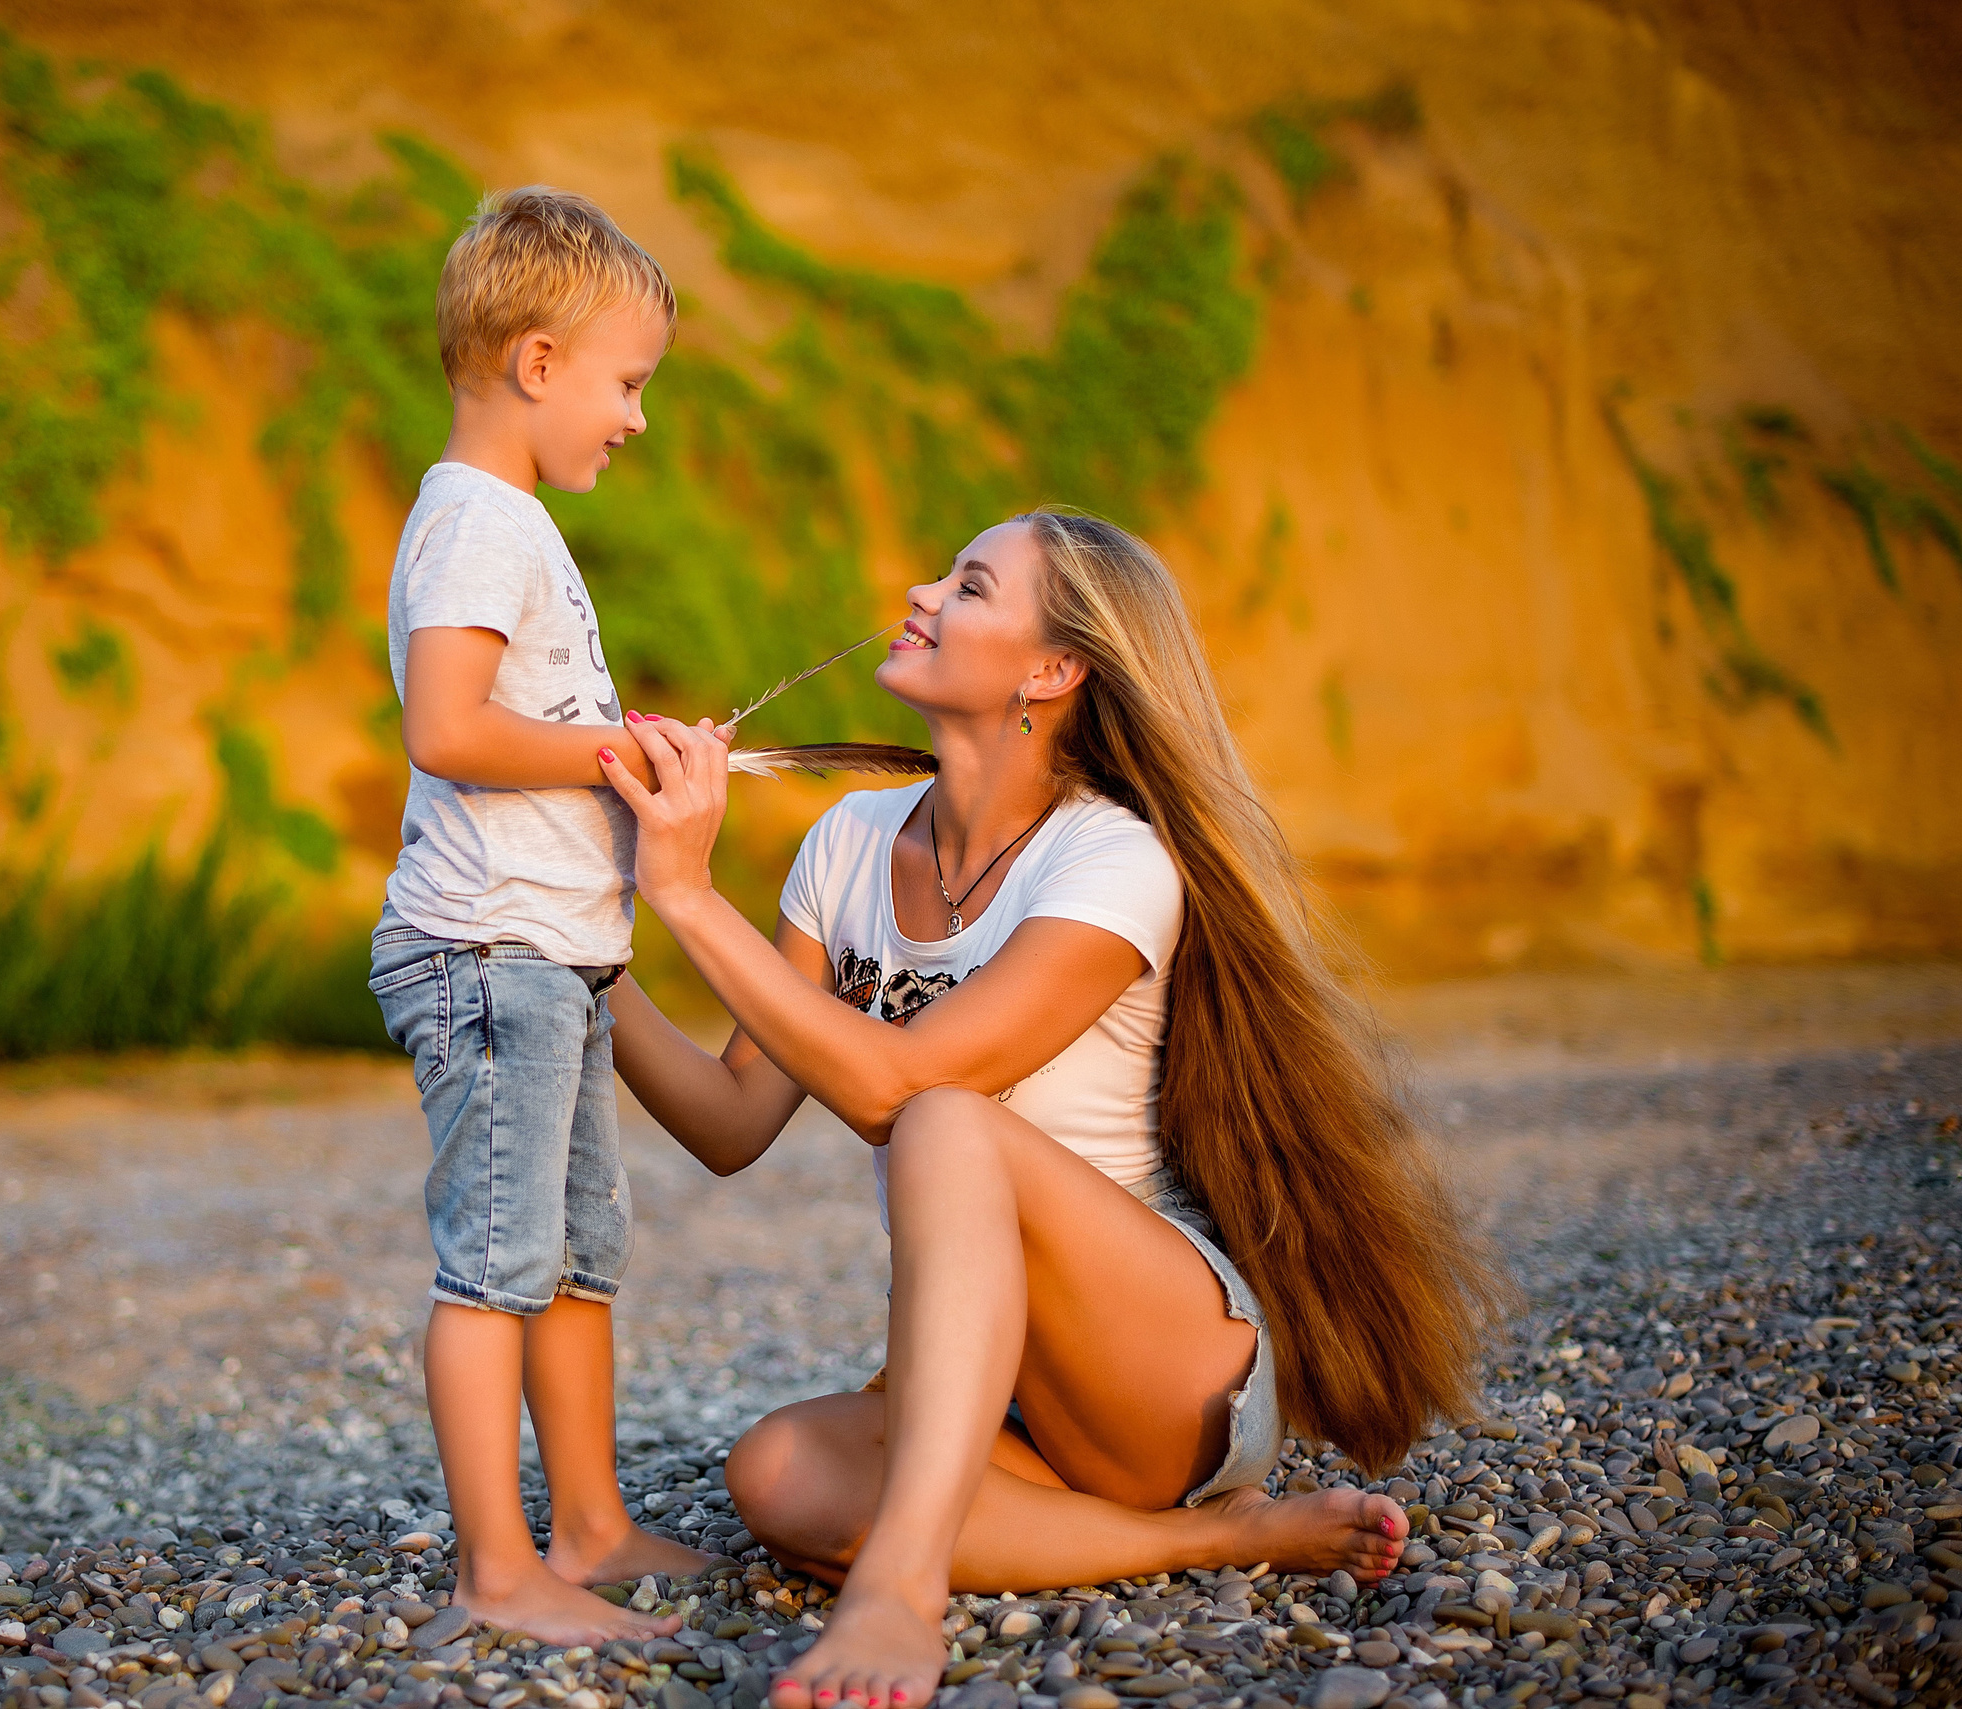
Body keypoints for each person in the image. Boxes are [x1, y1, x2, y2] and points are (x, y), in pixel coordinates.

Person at [598, 510, 1506, 1709]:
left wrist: (687, 893)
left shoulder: (1112, 860)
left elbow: (889, 1090)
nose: (918, 591)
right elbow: (728, 1119)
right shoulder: (847, 842)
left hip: (1163, 1362)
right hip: (1008, 1388)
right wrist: (587, 954)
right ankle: (1219, 1540)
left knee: (944, 1115)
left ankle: (902, 1585)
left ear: (1050, 669)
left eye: (967, 584)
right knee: (773, 1471)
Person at [369, 185, 717, 1645]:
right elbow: (448, 730)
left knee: (577, 1256)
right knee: (497, 1265)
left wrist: (614, 742)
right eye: (626, 382)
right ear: (533, 363)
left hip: (553, 962)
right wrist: (600, 753)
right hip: (486, 956)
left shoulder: (507, 524)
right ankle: (496, 1574)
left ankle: (587, 1525)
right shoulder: (474, 526)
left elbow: (516, 715)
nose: (634, 416)